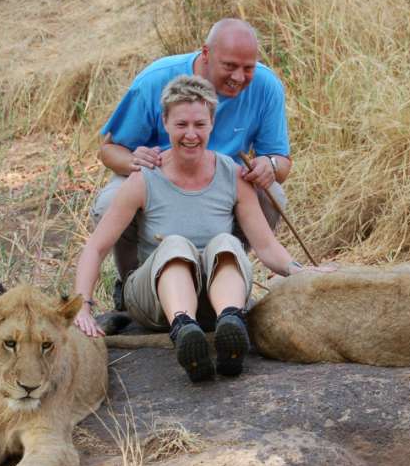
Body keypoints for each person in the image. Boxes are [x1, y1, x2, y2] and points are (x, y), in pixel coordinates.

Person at [74, 75, 328, 383]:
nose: (191, 134)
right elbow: (96, 247)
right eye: (181, 125)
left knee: (226, 242)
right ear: (165, 123)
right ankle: (184, 330)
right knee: (175, 245)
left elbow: (265, 246)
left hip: (213, 299)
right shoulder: (144, 178)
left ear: (212, 124)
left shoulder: (232, 174)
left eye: (199, 124)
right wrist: (82, 307)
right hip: (157, 302)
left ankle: (230, 323)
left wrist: (299, 270)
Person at [91, 18, 292, 308]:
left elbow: (281, 162)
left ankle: (225, 274)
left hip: (222, 182)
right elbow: (109, 149)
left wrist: (269, 165)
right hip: (158, 177)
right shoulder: (155, 80)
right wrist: (133, 160)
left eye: (248, 68)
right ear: (206, 53)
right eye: (229, 66)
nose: (239, 77)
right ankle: (133, 283)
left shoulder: (266, 86)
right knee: (109, 202)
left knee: (272, 195)